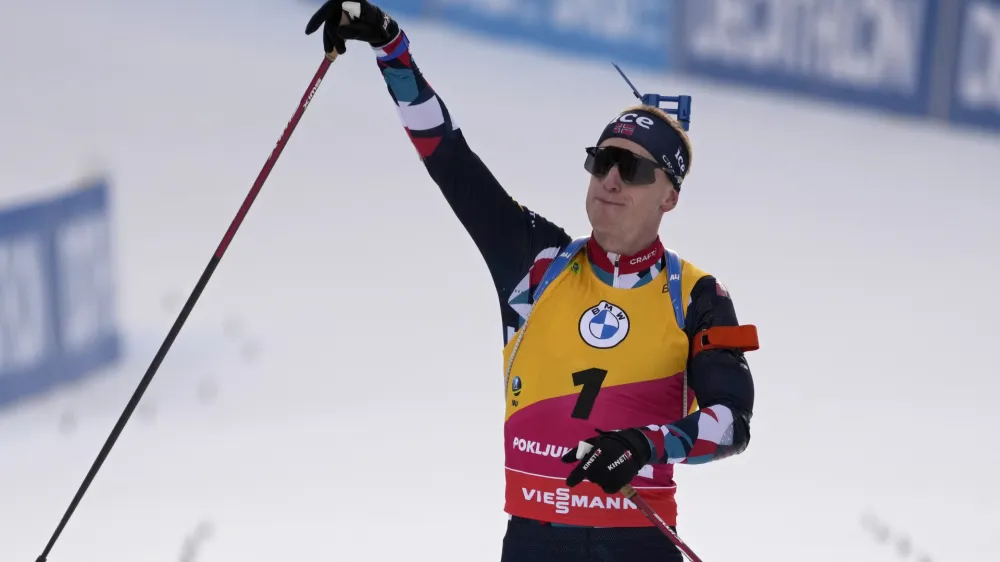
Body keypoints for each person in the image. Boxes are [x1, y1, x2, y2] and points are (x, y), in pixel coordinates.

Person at [306, 2, 760, 560]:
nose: (611, 180)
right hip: (533, 543)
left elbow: (730, 424)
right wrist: (390, 47)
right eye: (602, 161)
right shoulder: (537, 266)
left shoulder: (698, 295)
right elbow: (447, 155)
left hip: (638, 544)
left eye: (635, 170)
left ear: (670, 195)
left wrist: (645, 445)